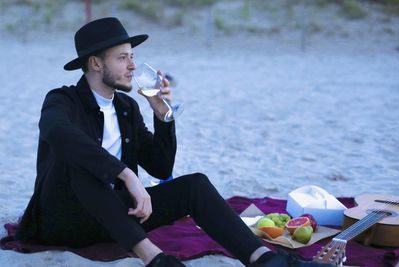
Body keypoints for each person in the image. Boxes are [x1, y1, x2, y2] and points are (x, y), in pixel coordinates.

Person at [15, 17, 333, 267]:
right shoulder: (62, 100)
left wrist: (163, 117)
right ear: (96, 64)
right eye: (122, 58)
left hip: (112, 218)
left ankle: (263, 259)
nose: (132, 66)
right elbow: (58, 134)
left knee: (194, 185)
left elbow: (160, 165)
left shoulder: (126, 107)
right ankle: (156, 259)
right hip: (61, 220)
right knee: (83, 168)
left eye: (132, 56)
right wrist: (125, 174)